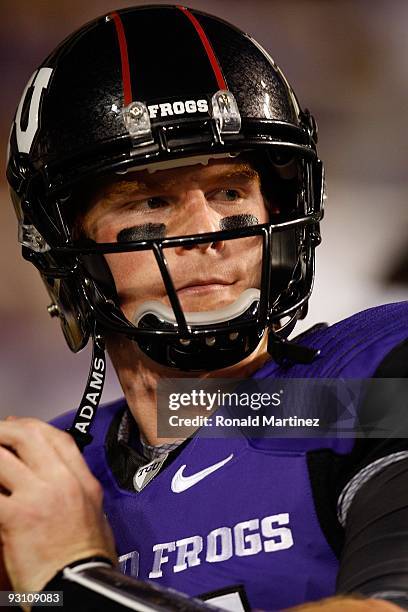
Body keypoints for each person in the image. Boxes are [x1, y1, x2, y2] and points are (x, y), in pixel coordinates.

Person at [3, 5, 408, 611]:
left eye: (229, 189)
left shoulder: (364, 387)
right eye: (152, 201)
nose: (207, 228)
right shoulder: (46, 473)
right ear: (67, 245)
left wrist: (77, 583)